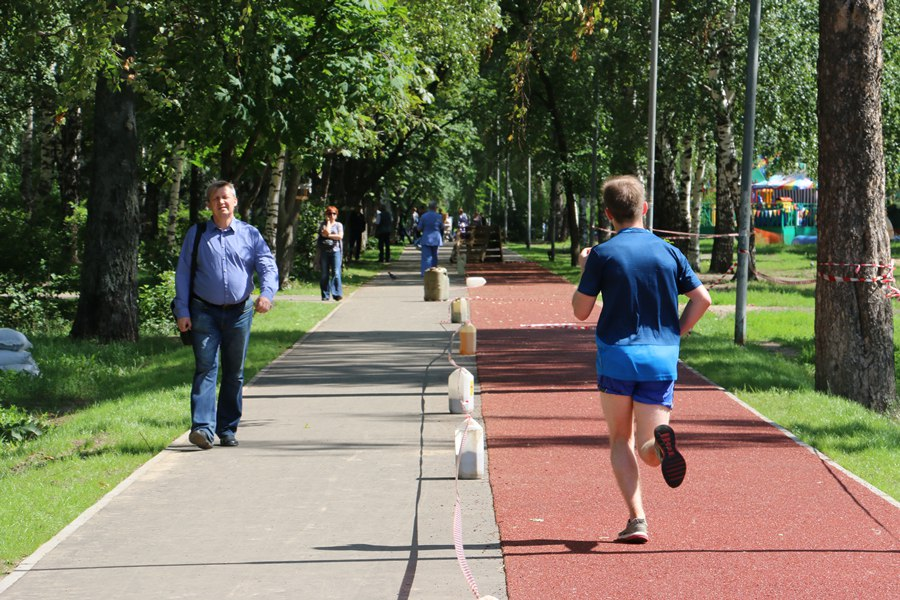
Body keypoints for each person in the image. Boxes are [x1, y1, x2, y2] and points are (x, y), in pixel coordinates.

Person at [571, 175, 711, 544]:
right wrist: (675, 333)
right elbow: (703, 299)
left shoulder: (603, 254)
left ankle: (637, 520)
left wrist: (586, 268)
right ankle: (661, 446)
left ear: (608, 214)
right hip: (660, 358)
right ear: (643, 208)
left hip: (617, 357)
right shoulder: (669, 252)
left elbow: (581, 311)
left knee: (620, 438)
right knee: (649, 446)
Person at [174, 180, 278, 449]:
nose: (221, 202)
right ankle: (203, 430)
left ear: (235, 202)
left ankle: (227, 429)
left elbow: (267, 266)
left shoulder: (250, 234)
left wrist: (266, 294)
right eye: (216, 198)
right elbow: (183, 273)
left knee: (234, 373)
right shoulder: (196, 234)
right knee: (206, 368)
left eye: (226, 197)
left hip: (240, 312)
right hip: (203, 311)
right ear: (209, 204)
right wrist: (182, 310)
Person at [318, 205, 344, 301]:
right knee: (324, 274)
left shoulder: (339, 225)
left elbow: (340, 236)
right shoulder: (323, 224)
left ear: (336, 215)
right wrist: (328, 222)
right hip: (325, 252)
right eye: (329, 213)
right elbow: (325, 233)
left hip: (336, 252)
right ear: (326, 215)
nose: (332, 215)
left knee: (336, 273)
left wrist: (328, 235)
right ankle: (325, 295)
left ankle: (337, 294)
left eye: (334, 213)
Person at [417, 200, 443, 275]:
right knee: (434, 256)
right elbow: (442, 226)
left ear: (429, 207)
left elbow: (419, 228)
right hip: (436, 238)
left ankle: (425, 273)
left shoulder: (424, 216)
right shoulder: (439, 216)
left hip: (426, 238)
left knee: (426, 257)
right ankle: (434, 273)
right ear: (436, 208)